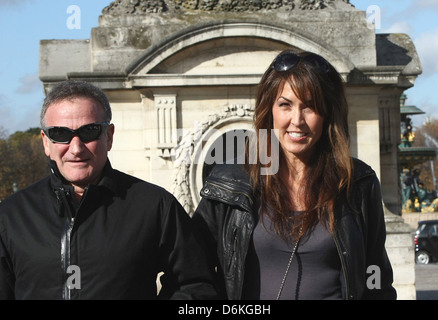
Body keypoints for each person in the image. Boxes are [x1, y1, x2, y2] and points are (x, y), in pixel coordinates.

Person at [193, 49, 397, 300]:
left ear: (327, 115)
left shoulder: (358, 183)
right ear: (269, 110)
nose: (297, 120)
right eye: (285, 105)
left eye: (310, 107)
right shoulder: (227, 183)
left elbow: (375, 275)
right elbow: (192, 276)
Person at [0, 80, 218, 300]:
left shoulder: (155, 206)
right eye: (60, 133)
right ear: (46, 142)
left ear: (109, 135)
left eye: (89, 131)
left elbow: (195, 285)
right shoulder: (10, 216)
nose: (76, 148)